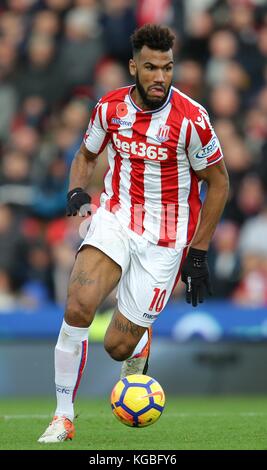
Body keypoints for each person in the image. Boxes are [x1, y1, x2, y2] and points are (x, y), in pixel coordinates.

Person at [38, 24, 229, 443]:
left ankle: (138, 347)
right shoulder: (109, 108)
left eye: (167, 67)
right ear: (133, 67)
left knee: (118, 346)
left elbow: (219, 183)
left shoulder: (192, 119)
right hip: (117, 219)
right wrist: (77, 188)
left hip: (166, 240)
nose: (160, 77)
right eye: (151, 67)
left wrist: (197, 252)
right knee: (78, 306)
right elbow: (86, 154)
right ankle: (62, 417)